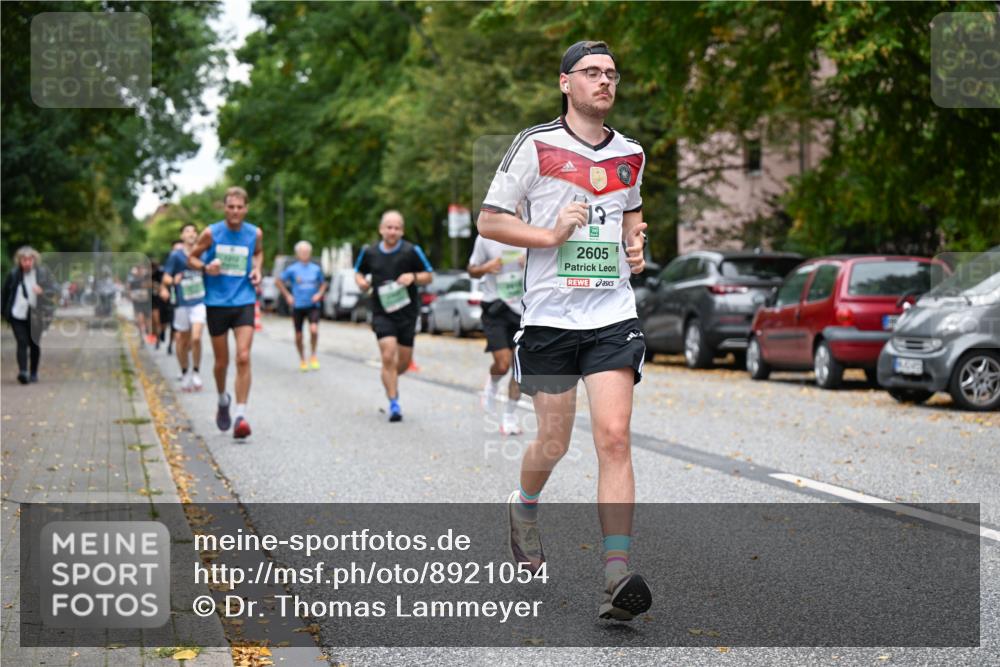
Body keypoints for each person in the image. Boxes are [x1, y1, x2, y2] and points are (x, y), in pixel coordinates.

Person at [477, 41, 651, 621]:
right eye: (592, 73)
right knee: (554, 442)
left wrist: (635, 242)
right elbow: (491, 219)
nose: (605, 81)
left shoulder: (632, 153)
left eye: (611, 74)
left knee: (615, 435)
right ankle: (524, 506)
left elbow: (630, 211)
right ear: (565, 82)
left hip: (610, 315)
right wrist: (550, 235)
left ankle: (616, 575)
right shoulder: (536, 145)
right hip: (550, 317)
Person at [188, 186, 263, 440]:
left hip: (244, 300)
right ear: (225, 208)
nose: (235, 211)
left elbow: (259, 253)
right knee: (222, 362)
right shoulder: (212, 232)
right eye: (230, 206)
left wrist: (257, 269)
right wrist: (206, 266)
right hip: (217, 303)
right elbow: (192, 258)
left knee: (243, 356)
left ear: (246, 209)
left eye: (239, 207)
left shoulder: (254, 233)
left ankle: (241, 416)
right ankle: (223, 399)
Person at [353, 210, 433, 422]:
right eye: (389, 227)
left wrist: (413, 276)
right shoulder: (369, 252)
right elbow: (358, 272)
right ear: (381, 229)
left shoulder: (411, 251)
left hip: (407, 313)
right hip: (382, 312)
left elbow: (429, 276)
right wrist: (360, 282)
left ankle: (389, 377)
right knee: (388, 355)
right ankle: (394, 403)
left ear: (402, 231)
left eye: (397, 228)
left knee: (403, 364)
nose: (392, 231)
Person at [468, 231, 526, 436]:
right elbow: (472, 270)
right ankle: (492, 384)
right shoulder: (486, 235)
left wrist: (530, 263)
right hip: (496, 308)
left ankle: (509, 417)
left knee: (520, 368)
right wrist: (486, 267)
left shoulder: (533, 232)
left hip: (524, 309)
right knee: (502, 363)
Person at [2, 246, 55, 384]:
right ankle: (23, 372)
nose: (27, 262)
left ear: (34, 260)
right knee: (21, 342)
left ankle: (33, 372)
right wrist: (3, 313)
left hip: (36, 315)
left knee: (34, 344)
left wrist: (42, 291)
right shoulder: (13, 275)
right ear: (19, 261)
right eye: (23, 260)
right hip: (17, 315)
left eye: (29, 259)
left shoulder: (42, 274)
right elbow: (5, 295)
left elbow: (54, 291)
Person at [162, 226, 206, 392]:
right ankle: (185, 371)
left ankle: (196, 371)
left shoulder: (202, 252)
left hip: (199, 301)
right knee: (182, 340)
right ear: (182, 235)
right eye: (187, 231)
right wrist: (174, 280)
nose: (191, 234)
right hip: (182, 303)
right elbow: (166, 278)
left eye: (194, 231)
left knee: (196, 338)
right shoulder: (176, 256)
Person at [277, 240, 327, 371]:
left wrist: (319, 294)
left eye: (307, 252)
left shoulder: (316, 269)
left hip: (313, 304)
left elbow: (323, 284)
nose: (305, 254)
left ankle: (314, 355)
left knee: (314, 329)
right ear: (297, 254)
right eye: (302, 252)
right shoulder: (292, 269)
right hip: (298, 305)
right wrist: (288, 295)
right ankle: (303, 359)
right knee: (299, 335)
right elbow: (278, 281)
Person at [127, 263, 153, 343]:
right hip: (138, 303)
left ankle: (149, 333)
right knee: (140, 319)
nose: (140, 271)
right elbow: (129, 288)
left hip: (147, 302)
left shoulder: (147, 278)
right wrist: (130, 295)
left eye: (141, 269)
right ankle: (142, 336)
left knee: (148, 320)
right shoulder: (132, 280)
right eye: (139, 270)